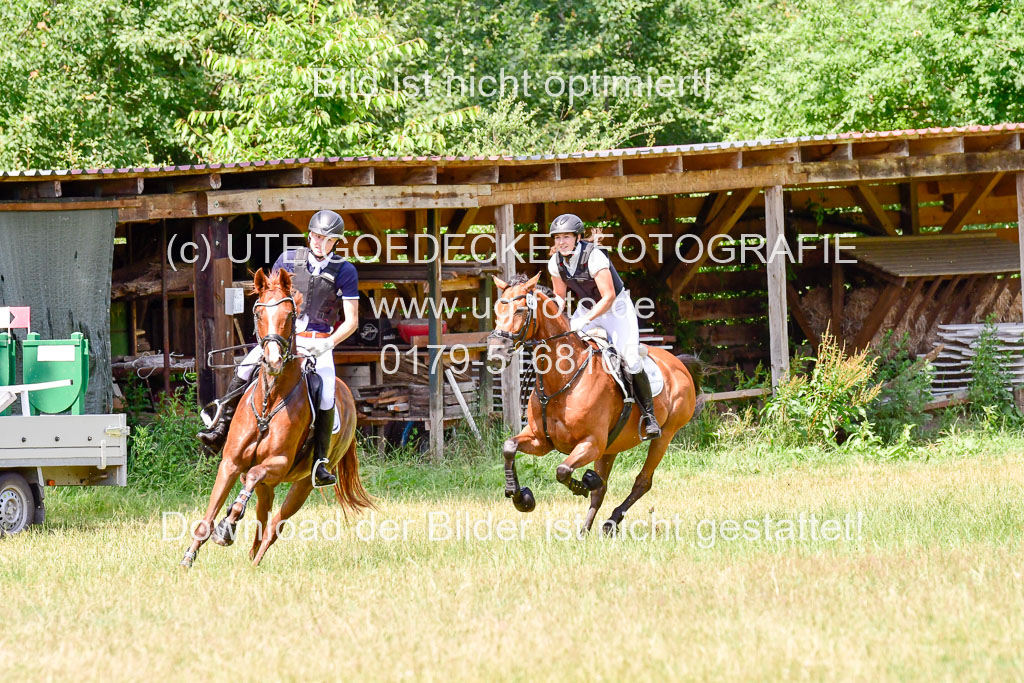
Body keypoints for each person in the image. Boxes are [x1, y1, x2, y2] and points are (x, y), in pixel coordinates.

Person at [197, 209, 360, 487]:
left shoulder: (345, 270)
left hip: (319, 341)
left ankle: (320, 461)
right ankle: (220, 426)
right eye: (316, 236)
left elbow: (352, 321)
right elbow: (271, 296)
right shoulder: (288, 260)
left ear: (335, 242)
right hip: (283, 339)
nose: (320, 243)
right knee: (246, 366)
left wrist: (327, 344)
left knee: (326, 392)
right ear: (309, 235)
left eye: (327, 239)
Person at [546, 213, 661, 440]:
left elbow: (608, 297)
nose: (561, 242)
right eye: (557, 238)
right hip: (587, 308)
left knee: (629, 359)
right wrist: (550, 314)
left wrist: (585, 320)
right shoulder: (555, 262)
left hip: (616, 310)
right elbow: (560, 297)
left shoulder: (595, 257)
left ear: (578, 238)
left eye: (566, 237)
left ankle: (650, 417)